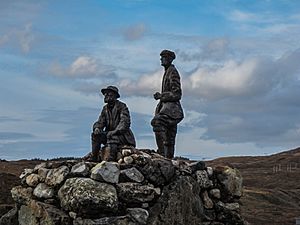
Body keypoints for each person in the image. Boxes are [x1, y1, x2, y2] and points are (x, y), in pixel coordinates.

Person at [151, 49, 184, 159]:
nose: (161, 59)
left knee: (157, 122)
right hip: (167, 109)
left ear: (169, 59)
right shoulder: (168, 71)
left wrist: (161, 96)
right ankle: (168, 157)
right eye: (161, 57)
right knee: (170, 136)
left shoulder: (173, 72)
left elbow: (177, 94)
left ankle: (161, 152)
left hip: (172, 110)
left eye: (164, 57)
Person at [91, 86, 136, 161]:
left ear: (115, 96)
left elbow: (124, 122)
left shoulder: (122, 106)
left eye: (109, 94)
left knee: (112, 137)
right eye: (105, 94)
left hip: (122, 136)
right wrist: (97, 128)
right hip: (109, 134)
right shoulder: (105, 109)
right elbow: (101, 121)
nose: (106, 95)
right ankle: (94, 158)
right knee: (95, 136)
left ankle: (110, 160)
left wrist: (115, 132)